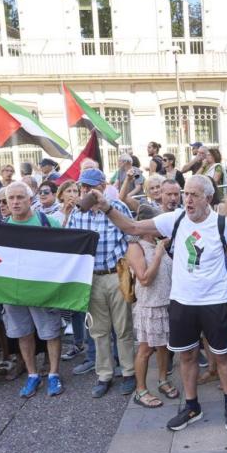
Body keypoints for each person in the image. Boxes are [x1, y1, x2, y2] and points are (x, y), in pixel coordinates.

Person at [94, 174, 227, 431]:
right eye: (185, 194)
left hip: (215, 300)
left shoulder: (222, 224)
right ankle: (191, 405)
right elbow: (132, 228)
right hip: (182, 302)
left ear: (208, 198)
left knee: (221, 356)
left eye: (194, 195)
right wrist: (107, 207)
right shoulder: (173, 220)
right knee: (186, 355)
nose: (187, 199)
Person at [67, 169, 137, 398]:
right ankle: (104, 374)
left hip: (116, 274)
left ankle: (128, 372)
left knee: (123, 327)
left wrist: (132, 271)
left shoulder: (119, 208)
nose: (86, 191)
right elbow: (71, 244)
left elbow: (131, 238)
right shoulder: (78, 213)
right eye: (83, 187)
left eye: (90, 187)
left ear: (103, 186)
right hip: (91, 278)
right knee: (98, 330)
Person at [0, 183, 65, 398]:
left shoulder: (48, 223)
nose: (15, 202)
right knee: (23, 333)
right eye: (11, 198)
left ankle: (54, 374)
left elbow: (65, 254)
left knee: (50, 333)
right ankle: (32, 375)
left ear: (30, 199)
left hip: (42, 292)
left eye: (20, 197)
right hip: (13, 293)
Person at [125, 205, 176, 408]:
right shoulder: (135, 246)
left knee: (163, 346)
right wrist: (158, 254)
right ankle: (141, 390)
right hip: (150, 305)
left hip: (165, 303)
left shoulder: (157, 242)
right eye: (157, 223)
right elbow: (144, 279)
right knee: (146, 349)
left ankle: (163, 380)